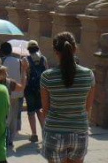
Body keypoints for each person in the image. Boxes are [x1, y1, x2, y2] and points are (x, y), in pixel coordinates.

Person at [41, 32, 95, 163]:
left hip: (55, 131)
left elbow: (46, 109)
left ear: (55, 51)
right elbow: (88, 107)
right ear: (75, 49)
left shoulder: (47, 76)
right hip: (79, 131)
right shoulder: (88, 74)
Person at [1, 41, 25, 146]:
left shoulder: (2, 61)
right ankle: (11, 138)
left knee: (6, 115)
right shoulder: (19, 61)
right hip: (17, 91)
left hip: (6, 91)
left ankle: (5, 137)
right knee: (14, 115)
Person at [25, 40, 47, 142]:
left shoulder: (25, 59)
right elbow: (46, 73)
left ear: (28, 49)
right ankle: (44, 133)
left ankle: (34, 134)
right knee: (40, 110)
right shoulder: (43, 59)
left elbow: (25, 75)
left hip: (29, 88)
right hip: (41, 88)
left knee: (31, 111)